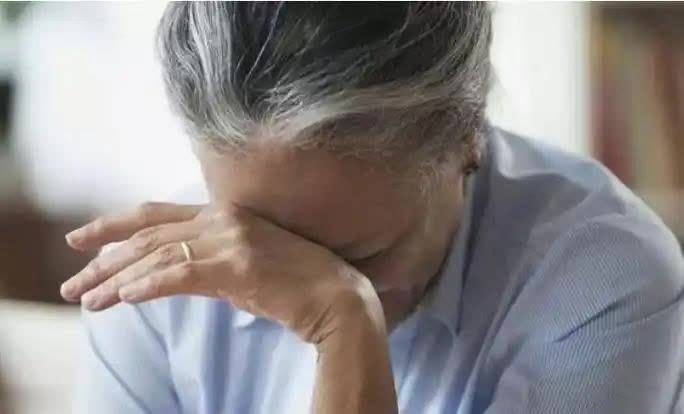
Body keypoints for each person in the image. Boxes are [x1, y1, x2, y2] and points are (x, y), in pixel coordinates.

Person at [61, 3, 684, 413]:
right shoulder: (159, 283)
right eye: (255, 236)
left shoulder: (605, 278)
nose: (290, 275)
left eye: (359, 255)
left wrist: (345, 326)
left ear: (467, 137)